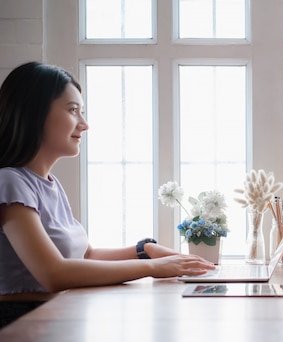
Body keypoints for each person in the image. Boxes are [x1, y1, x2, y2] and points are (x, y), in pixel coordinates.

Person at [0, 62, 215, 328]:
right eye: (73, 111)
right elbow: (53, 273)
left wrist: (144, 250)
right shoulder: (9, 181)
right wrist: (152, 268)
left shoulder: (49, 184)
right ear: (35, 113)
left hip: (52, 317)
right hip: (20, 325)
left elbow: (85, 256)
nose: (85, 124)